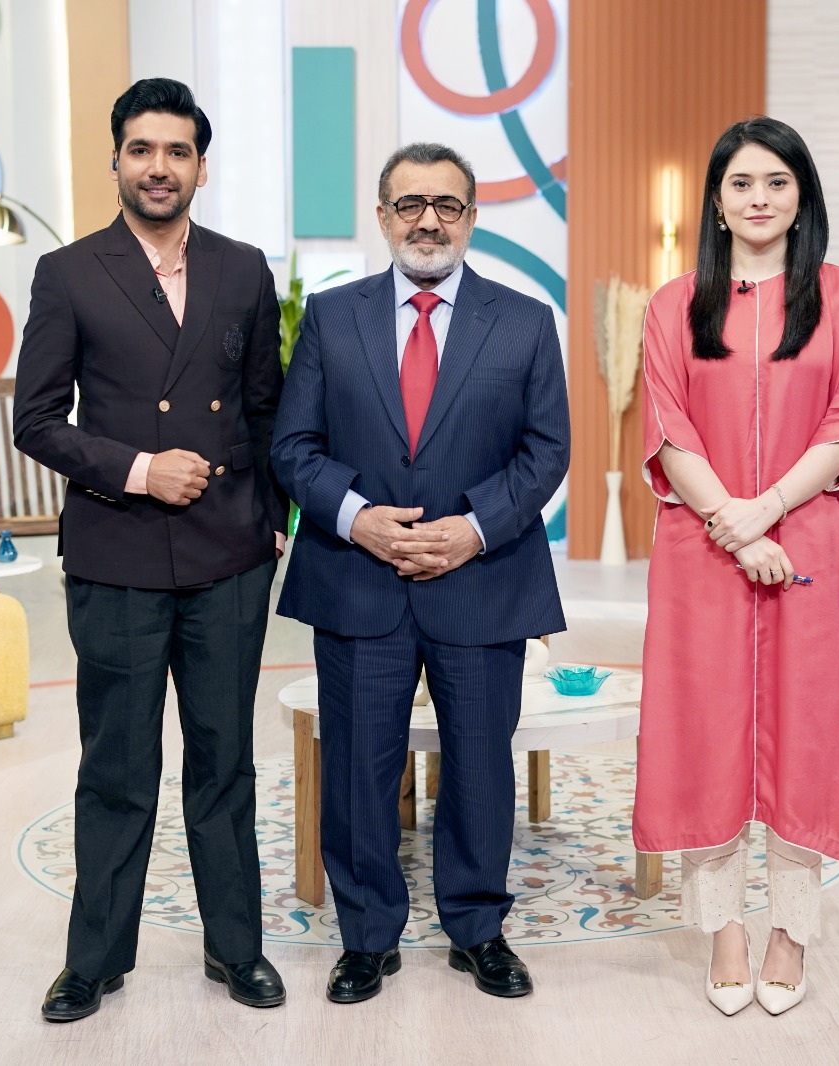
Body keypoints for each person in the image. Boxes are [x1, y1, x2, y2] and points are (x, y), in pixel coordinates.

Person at [13, 77, 288, 1022]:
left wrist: (274, 518)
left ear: (202, 166)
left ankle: (237, 949)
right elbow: (36, 421)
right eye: (142, 149)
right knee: (118, 769)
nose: (158, 167)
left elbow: (265, 408)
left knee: (225, 764)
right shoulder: (68, 272)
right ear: (116, 161)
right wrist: (138, 469)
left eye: (177, 151)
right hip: (117, 550)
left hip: (230, 555)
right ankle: (93, 960)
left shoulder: (244, 269)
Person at [272, 143, 568, 1003]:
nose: (427, 220)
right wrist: (356, 518)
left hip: (482, 579)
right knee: (357, 768)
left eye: (446, 204)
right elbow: (293, 446)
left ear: (471, 217)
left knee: (480, 766)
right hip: (357, 580)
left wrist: (473, 530)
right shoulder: (332, 317)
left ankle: (478, 930)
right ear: (382, 216)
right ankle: (367, 937)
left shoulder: (524, 321)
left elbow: (546, 450)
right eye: (409, 204)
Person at [633, 116, 839, 1017]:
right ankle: (724, 933)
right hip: (702, 549)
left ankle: (790, 932)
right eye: (741, 183)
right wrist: (735, 529)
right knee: (704, 731)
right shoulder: (673, 305)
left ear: (802, 197)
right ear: (717, 201)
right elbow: (668, 431)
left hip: (807, 541)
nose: (759, 198)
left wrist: (766, 510)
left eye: (777, 182)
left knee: (805, 735)